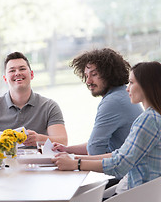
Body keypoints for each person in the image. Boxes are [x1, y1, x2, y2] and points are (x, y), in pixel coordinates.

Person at [52, 61, 161, 191]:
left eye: (131, 83)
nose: (127, 88)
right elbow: (119, 154)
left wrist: (76, 164)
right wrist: (74, 157)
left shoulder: (148, 119)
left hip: (139, 194)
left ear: (146, 85)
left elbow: (120, 165)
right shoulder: (152, 116)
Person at [53, 48, 143, 155]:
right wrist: (67, 150)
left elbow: (94, 149)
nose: (88, 81)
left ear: (109, 73)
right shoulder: (122, 94)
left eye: (94, 74)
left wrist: (74, 162)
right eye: (86, 76)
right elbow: (95, 144)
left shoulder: (113, 101)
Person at [0, 51, 68, 147]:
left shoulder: (49, 106)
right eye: (12, 70)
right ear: (5, 78)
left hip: (38, 161)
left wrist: (39, 139)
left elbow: (63, 142)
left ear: (31, 75)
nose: (17, 73)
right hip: (4, 161)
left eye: (22, 69)